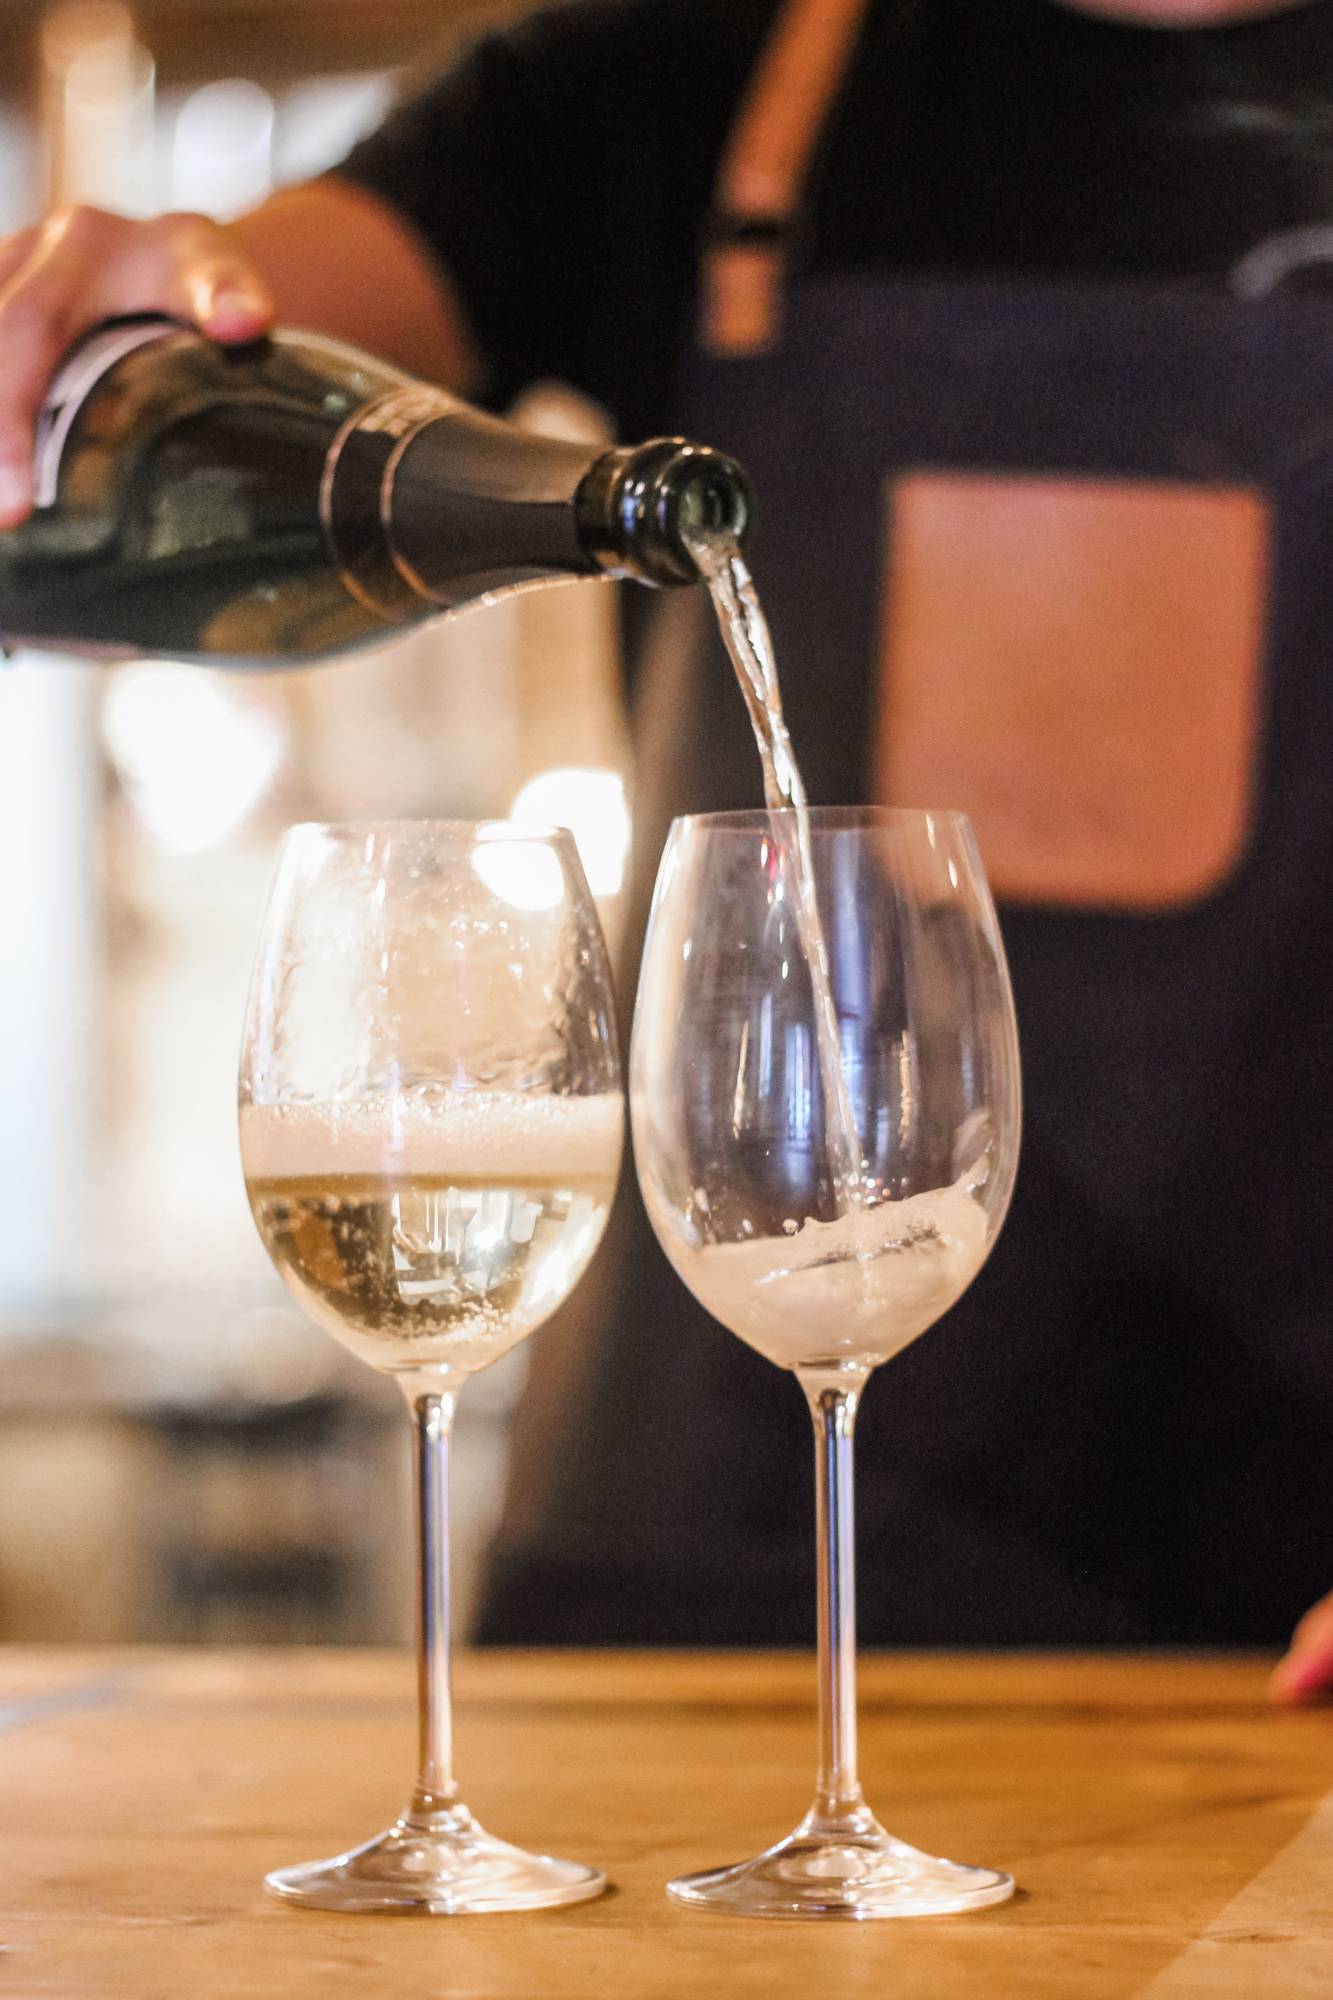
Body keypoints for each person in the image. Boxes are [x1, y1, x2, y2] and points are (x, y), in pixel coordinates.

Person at [3, 0, 1333, 1696]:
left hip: (1283, 1581)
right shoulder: (675, 73)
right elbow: (238, 341)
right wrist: (105, 349)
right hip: (697, 1546)